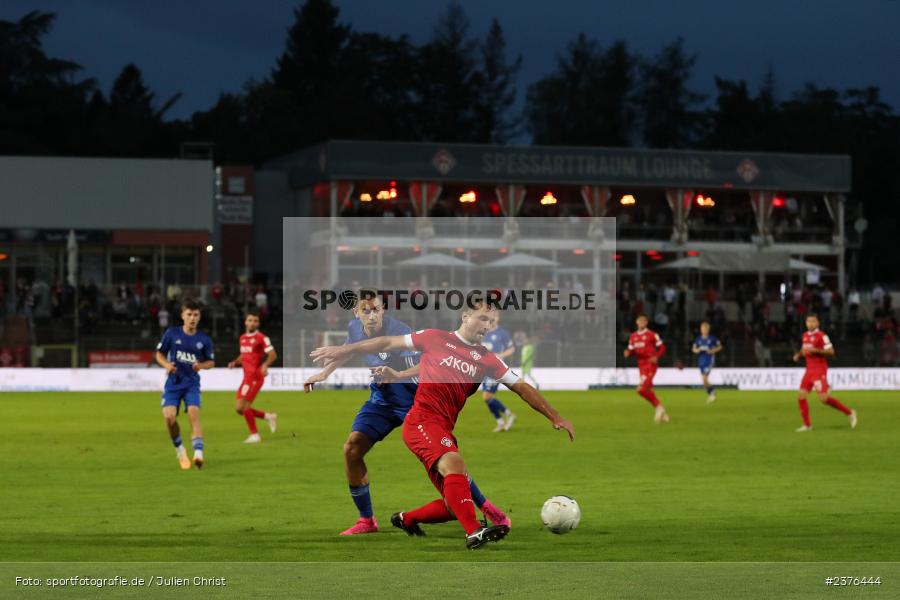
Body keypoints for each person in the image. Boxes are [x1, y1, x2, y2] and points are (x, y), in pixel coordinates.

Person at [310, 301, 574, 549]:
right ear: (465, 316)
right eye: (483, 318)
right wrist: (343, 350)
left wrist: (555, 416)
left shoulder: (487, 359)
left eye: (491, 321)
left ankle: (407, 518)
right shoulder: (434, 337)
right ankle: (473, 532)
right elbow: (387, 342)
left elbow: (521, 387)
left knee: (455, 503)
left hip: (441, 428)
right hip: (421, 420)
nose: (487, 325)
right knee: (455, 465)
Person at [304, 295, 510, 537]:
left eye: (376, 310)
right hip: (381, 400)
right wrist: (324, 373)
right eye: (366, 310)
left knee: (447, 461)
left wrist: (399, 374)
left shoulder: (399, 331)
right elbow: (349, 351)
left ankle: (485, 506)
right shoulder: (354, 329)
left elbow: (428, 362)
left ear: (383, 311)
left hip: (415, 402)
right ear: (356, 314)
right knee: (352, 449)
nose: (371, 315)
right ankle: (367, 520)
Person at [155, 299, 215, 469]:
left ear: (199, 317)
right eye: (189, 314)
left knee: (193, 414)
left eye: (196, 315)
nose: (192, 318)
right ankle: (180, 449)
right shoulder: (172, 334)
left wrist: (200, 366)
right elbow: (159, 354)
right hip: (173, 384)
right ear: (182, 316)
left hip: (191, 384)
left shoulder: (204, 339)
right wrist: (167, 365)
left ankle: (198, 453)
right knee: (169, 418)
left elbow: (211, 362)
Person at [792, 314, 857, 432]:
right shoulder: (805, 335)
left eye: (813, 321)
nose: (810, 323)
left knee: (823, 399)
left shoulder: (822, 336)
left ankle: (849, 412)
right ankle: (807, 425)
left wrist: (816, 350)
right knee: (801, 396)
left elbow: (831, 352)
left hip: (819, 370)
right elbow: (804, 350)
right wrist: (798, 355)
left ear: (818, 323)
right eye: (808, 321)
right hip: (809, 371)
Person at [227, 308, 278, 443]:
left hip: (255, 377)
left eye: (255, 321)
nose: (252, 323)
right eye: (250, 320)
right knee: (239, 409)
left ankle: (255, 435)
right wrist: (235, 362)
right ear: (245, 322)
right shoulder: (242, 338)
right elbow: (244, 355)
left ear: (258, 323)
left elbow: (273, 355)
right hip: (246, 377)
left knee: (244, 407)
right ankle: (268, 416)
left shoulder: (262, 338)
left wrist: (265, 365)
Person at [623, 314, 669, 423]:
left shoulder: (652, 334)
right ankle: (663, 415)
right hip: (641, 366)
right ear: (636, 322)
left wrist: (656, 356)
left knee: (641, 389)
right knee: (648, 390)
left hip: (650, 365)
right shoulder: (633, 336)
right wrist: (628, 353)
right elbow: (631, 351)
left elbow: (662, 347)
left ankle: (659, 408)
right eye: (640, 320)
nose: (641, 322)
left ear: (646, 323)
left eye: (644, 321)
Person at [480, 316, 517, 432]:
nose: (493, 318)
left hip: (496, 369)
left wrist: (501, 355)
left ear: (498, 318)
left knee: (486, 396)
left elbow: (512, 349)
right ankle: (501, 422)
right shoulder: (482, 332)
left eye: (495, 315)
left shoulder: (503, 333)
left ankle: (508, 414)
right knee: (487, 398)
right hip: (485, 369)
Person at [692, 321, 722, 403]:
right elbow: (694, 349)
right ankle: (711, 392)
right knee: (704, 381)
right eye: (702, 328)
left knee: (705, 378)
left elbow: (720, 347)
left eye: (705, 328)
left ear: (708, 329)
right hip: (701, 360)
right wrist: (697, 350)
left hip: (709, 360)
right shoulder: (698, 339)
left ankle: (712, 394)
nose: (703, 330)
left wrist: (712, 350)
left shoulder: (712, 339)